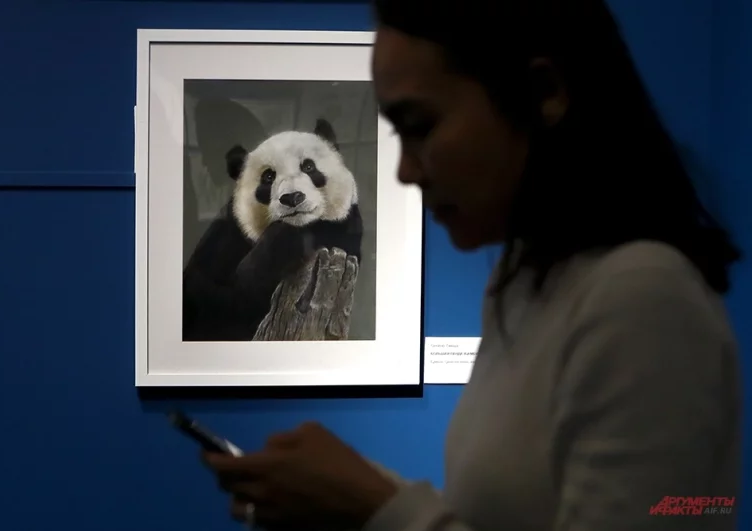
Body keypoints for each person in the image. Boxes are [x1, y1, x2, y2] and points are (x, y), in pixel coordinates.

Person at [200, 1, 743, 530]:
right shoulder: (526, 290)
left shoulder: (643, 300)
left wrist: (376, 508)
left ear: (542, 93)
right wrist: (347, 493)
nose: (407, 171)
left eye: (423, 125)